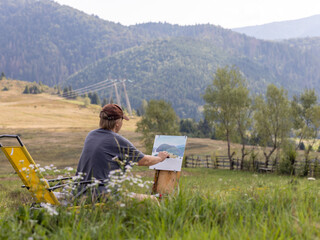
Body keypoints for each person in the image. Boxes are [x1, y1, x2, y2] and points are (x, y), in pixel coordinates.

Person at [76, 103, 169, 195]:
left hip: (80, 192)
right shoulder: (116, 140)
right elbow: (144, 161)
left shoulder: (91, 135)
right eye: (122, 120)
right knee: (152, 201)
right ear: (117, 123)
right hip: (102, 194)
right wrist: (160, 158)